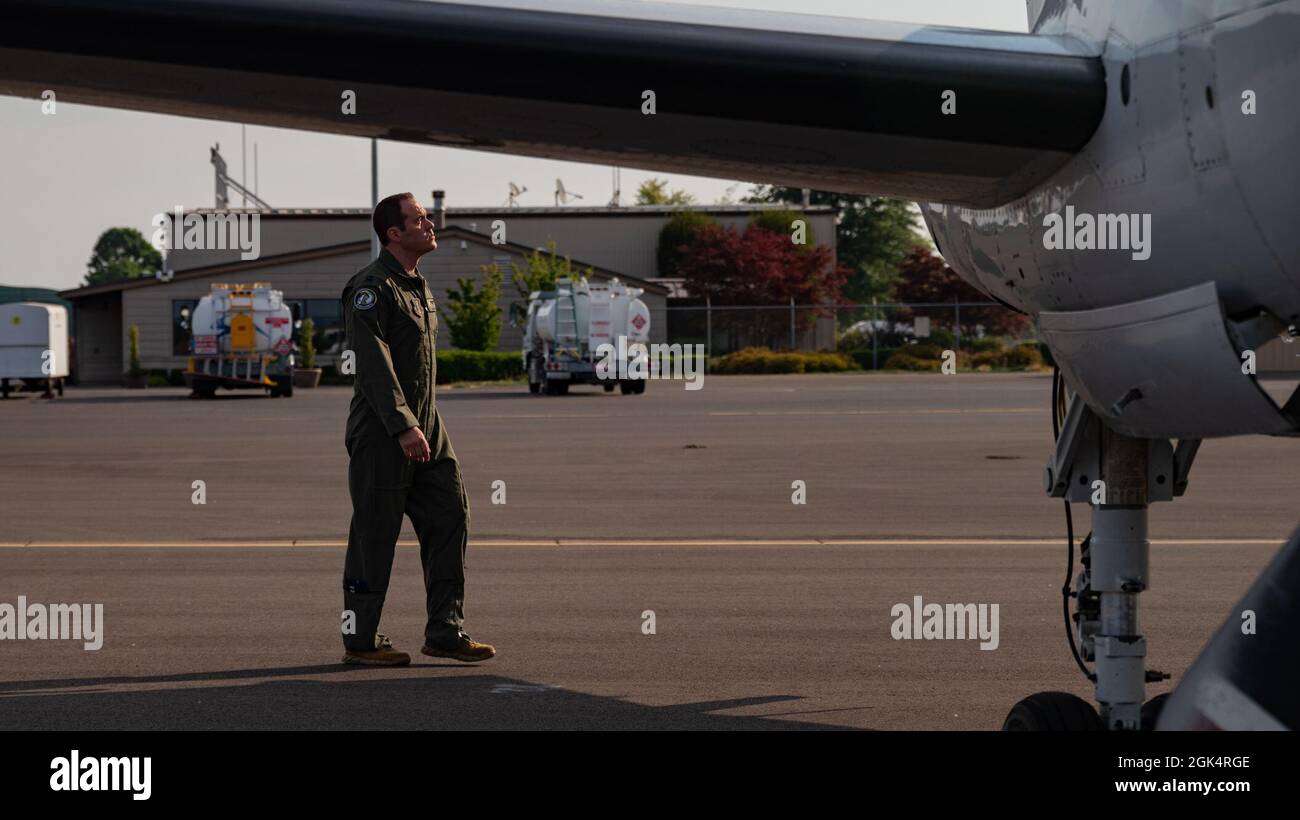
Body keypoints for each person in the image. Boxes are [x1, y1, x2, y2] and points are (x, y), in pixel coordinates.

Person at [339, 192, 495, 665]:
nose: (430, 225)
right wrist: (404, 425)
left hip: (429, 425)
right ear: (394, 233)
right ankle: (361, 641)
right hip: (385, 431)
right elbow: (372, 363)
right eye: (420, 219)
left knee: (451, 515)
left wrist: (423, 423)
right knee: (374, 534)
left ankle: (445, 632)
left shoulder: (418, 286)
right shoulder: (370, 288)